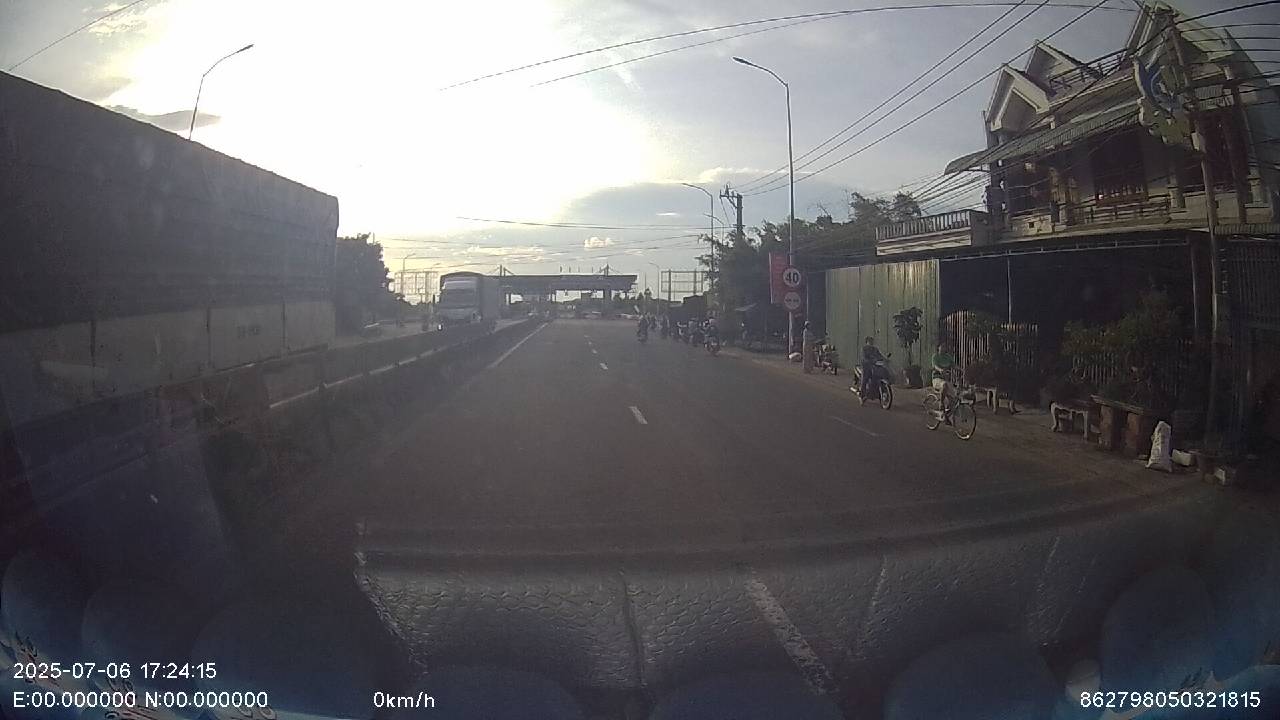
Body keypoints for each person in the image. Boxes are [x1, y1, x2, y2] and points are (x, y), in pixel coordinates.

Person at [931, 343, 958, 411]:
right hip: (937, 378)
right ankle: (941, 403)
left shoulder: (948, 357)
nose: (943, 348)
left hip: (946, 379)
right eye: (942, 346)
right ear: (938, 348)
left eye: (945, 347)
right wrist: (940, 370)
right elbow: (935, 366)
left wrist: (961, 369)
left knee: (954, 397)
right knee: (944, 385)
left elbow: (953, 365)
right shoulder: (935, 356)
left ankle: (948, 413)